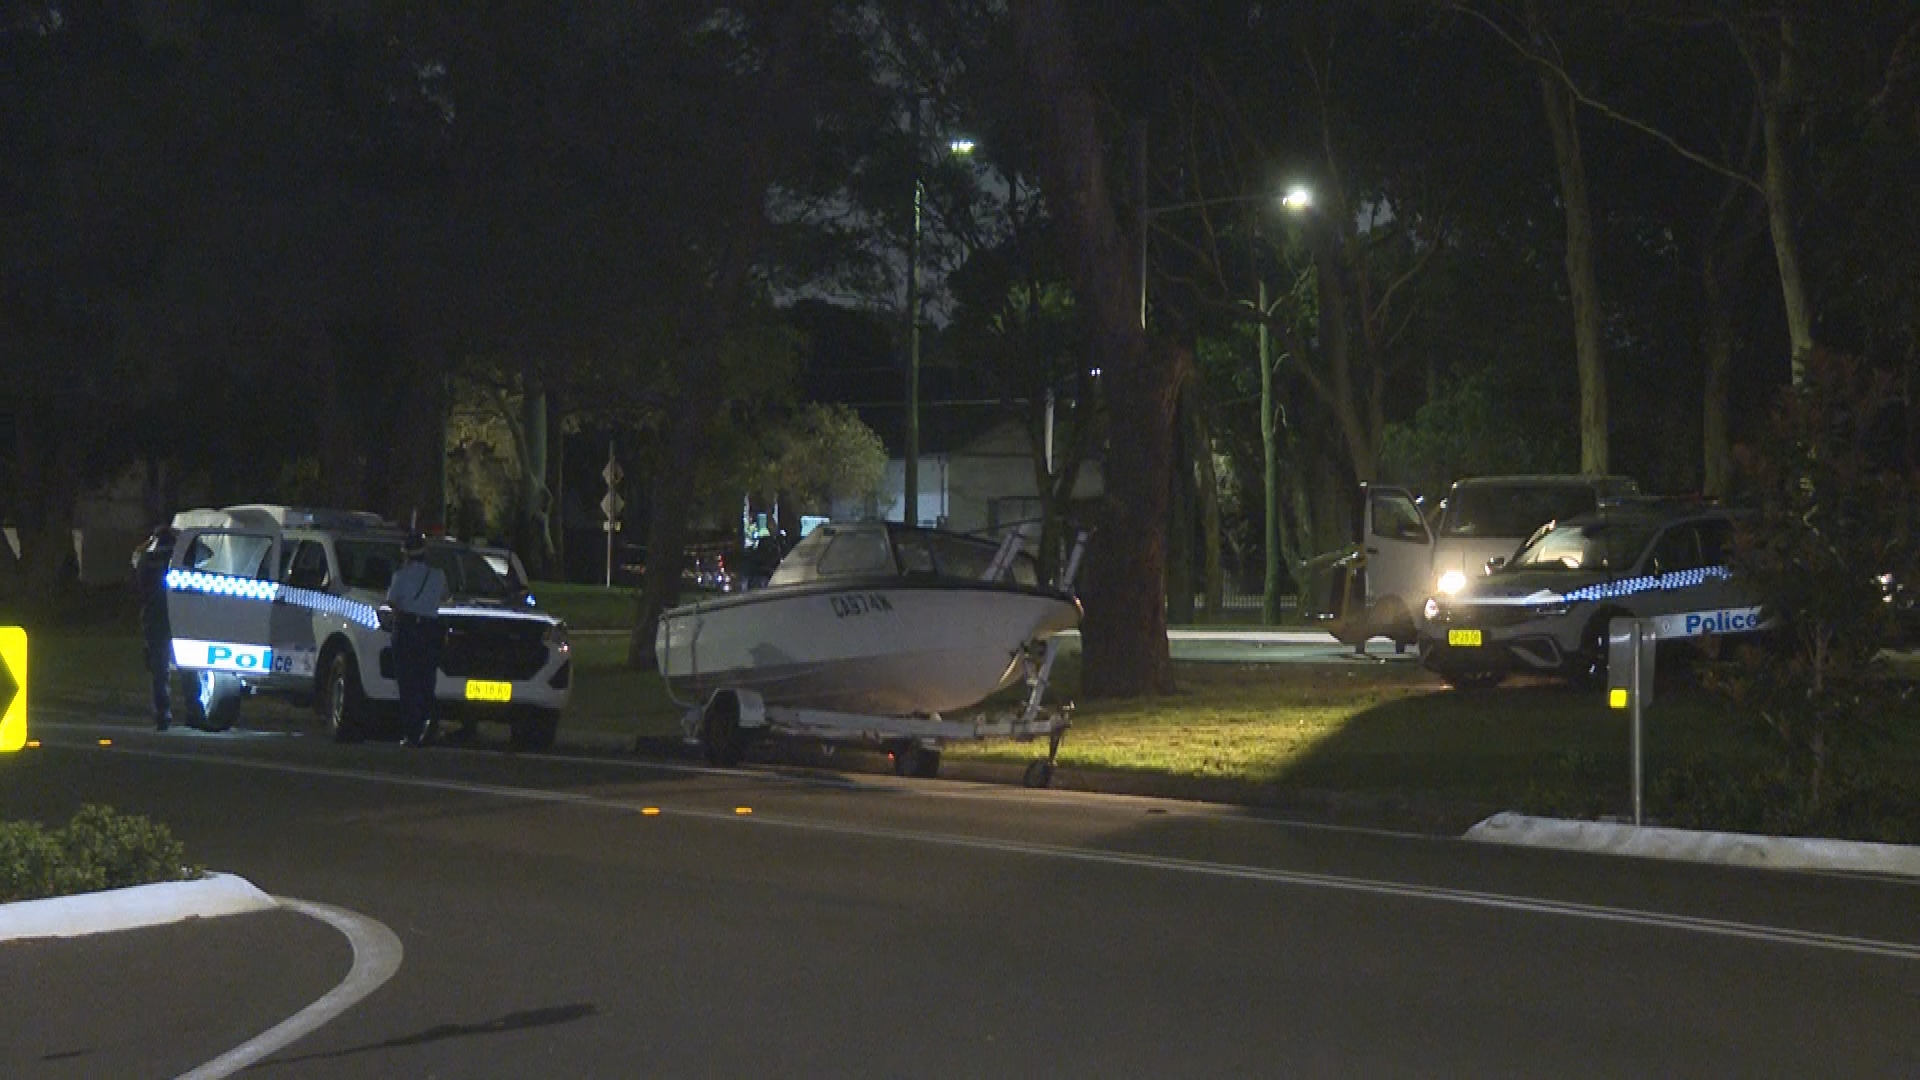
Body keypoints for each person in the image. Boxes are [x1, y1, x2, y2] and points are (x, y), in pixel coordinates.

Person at [386, 531, 449, 746]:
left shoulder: (400, 577)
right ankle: (429, 724)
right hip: (431, 630)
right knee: (426, 680)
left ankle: (412, 732)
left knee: (407, 682)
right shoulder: (438, 575)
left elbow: (392, 602)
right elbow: (444, 597)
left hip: (407, 629)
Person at [132, 526, 177, 731]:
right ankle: (195, 710)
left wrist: (149, 540)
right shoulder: (176, 560)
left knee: (160, 671)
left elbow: (134, 555)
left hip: (153, 620)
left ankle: (163, 713)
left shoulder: (145, 562)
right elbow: (206, 555)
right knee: (189, 670)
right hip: (177, 619)